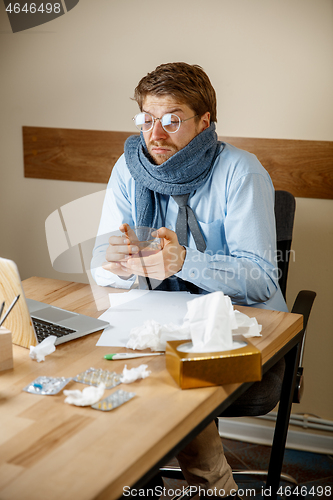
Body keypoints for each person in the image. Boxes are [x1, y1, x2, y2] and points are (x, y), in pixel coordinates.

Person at [91, 62, 288, 499]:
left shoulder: (241, 171)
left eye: (172, 121)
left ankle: (211, 485)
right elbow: (103, 270)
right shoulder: (128, 170)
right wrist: (115, 262)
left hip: (237, 325)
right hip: (155, 321)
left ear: (204, 122)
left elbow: (259, 279)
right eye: (146, 120)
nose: (155, 135)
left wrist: (183, 261)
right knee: (103, 374)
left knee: (161, 384)